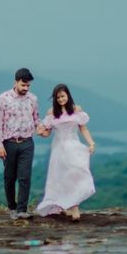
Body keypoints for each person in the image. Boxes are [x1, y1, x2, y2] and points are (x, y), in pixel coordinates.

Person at [0, 68, 49, 220]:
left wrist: (44, 128)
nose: (26, 88)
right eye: (23, 85)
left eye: (28, 86)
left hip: (27, 143)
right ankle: (12, 207)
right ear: (15, 82)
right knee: (10, 177)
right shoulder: (3, 98)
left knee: (25, 176)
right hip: (8, 143)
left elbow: (36, 119)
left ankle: (22, 210)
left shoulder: (33, 99)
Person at [36, 83, 97, 221]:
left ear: (68, 95)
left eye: (63, 96)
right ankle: (67, 207)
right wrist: (40, 132)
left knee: (76, 173)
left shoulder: (76, 109)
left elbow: (83, 129)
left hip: (73, 146)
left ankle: (74, 206)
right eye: (58, 97)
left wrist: (91, 143)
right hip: (58, 149)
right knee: (60, 177)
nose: (61, 99)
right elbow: (47, 133)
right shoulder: (52, 113)